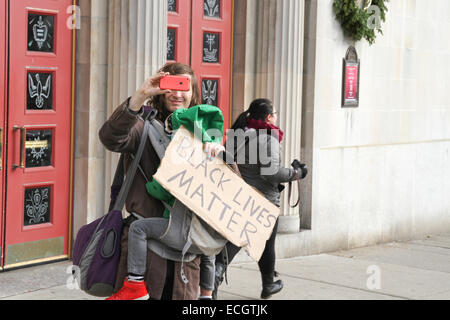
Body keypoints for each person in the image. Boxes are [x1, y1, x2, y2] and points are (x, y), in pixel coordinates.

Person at [99, 62, 225, 300]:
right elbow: (110, 137)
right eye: (170, 86)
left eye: (184, 86)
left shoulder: (205, 131)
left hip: (187, 264)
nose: (177, 93)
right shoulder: (142, 126)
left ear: (194, 92)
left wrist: (219, 158)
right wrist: (139, 96)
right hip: (144, 256)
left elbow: (225, 196)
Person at [213, 98, 308, 300]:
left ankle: (267, 285)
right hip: (262, 201)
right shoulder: (268, 137)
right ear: (268, 117)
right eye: (275, 114)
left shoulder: (238, 133)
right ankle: (217, 274)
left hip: (239, 195)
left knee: (255, 241)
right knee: (250, 241)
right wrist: (295, 172)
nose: (276, 117)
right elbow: (271, 173)